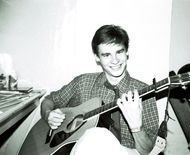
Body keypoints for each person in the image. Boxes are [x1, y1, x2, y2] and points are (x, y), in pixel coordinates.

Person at [41, 24, 159, 155]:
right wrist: (48, 115)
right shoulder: (83, 82)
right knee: (94, 136)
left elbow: (146, 151)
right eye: (107, 55)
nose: (115, 60)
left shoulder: (144, 92)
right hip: (76, 149)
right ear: (97, 58)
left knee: (96, 136)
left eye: (119, 52)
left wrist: (137, 127)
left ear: (127, 52)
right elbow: (49, 100)